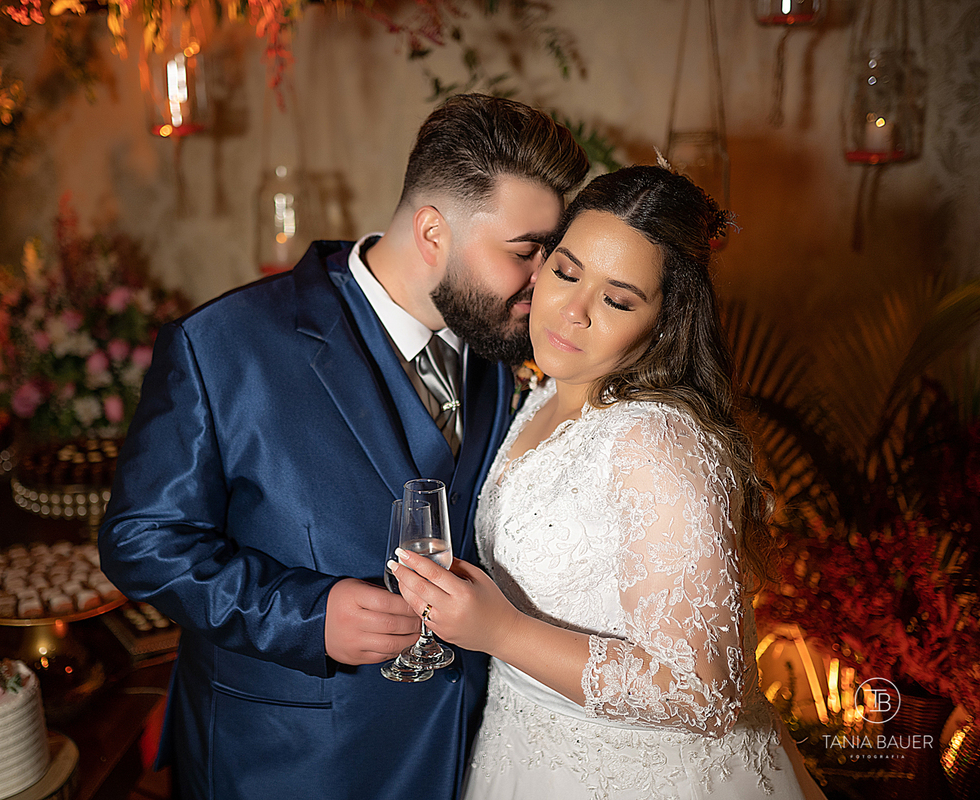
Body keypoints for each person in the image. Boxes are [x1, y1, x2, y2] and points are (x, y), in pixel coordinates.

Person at [98, 93, 589, 800]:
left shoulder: (495, 348)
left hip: (467, 759)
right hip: (287, 764)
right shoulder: (222, 347)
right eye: (524, 252)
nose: (545, 280)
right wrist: (308, 615)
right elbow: (140, 541)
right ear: (432, 232)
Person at [390, 164, 828, 799]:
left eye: (617, 299)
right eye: (567, 272)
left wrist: (500, 632)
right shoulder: (542, 395)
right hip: (523, 752)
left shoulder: (658, 442)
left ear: (664, 320)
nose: (573, 312)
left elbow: (705, 691)